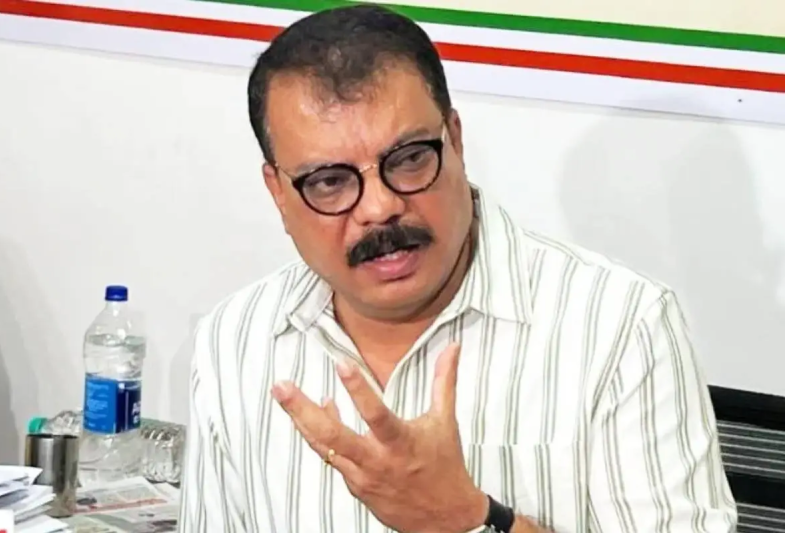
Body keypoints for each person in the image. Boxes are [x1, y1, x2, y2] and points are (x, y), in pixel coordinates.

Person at [178, 5, 737, 532]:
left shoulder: (619, 327)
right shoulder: (236, 341)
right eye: (330, 182)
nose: (380, 208)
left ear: (456, 140)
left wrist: (467, 518)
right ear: (278, 192)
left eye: (409, 159)